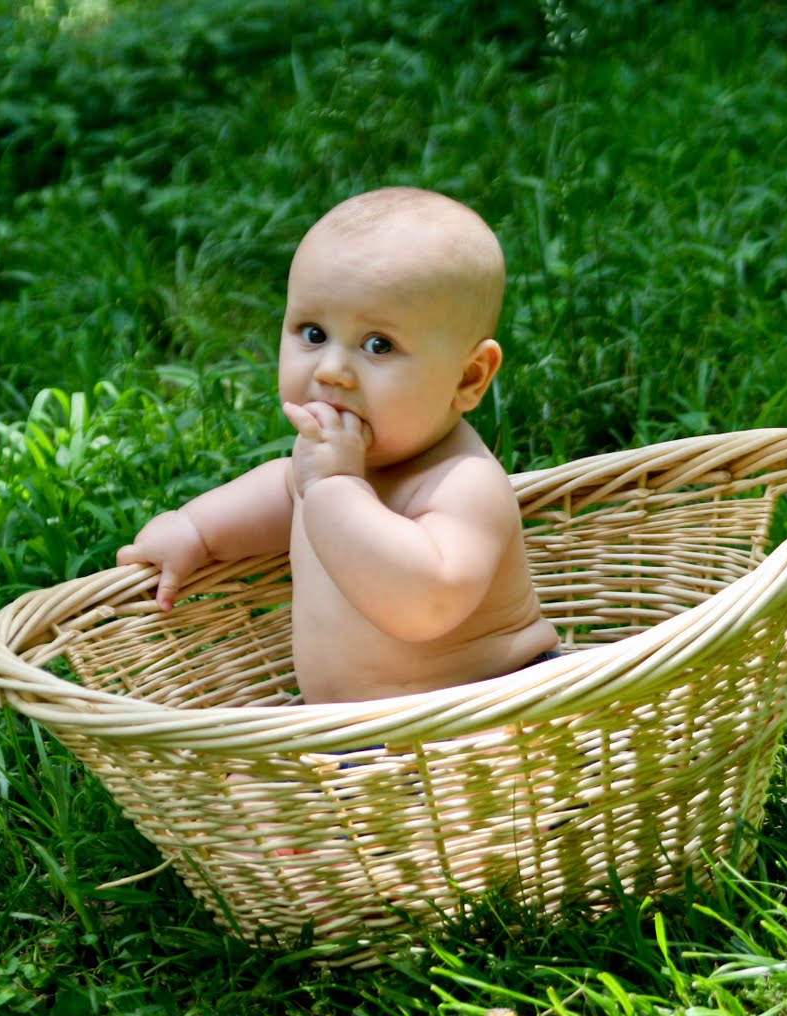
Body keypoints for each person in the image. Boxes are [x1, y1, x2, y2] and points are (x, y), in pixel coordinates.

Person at [116, 187, 558, 704]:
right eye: (313, 333)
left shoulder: (464, 483)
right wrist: (194, 529)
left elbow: (426, 604)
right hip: (352, 736)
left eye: (379, 345)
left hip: (487, 711)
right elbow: (282, 490)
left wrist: (336, 486)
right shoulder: (318, 468)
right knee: (246, 784)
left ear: (469, 377)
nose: (330, 371)